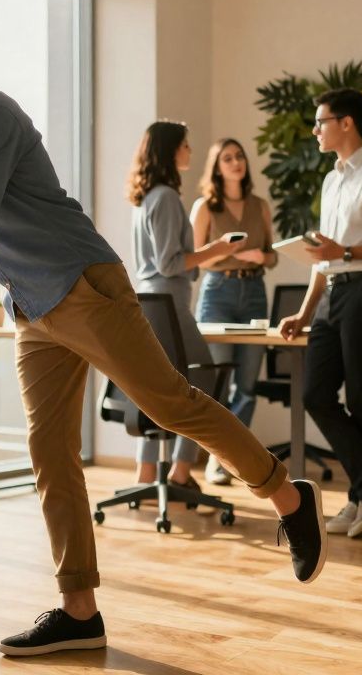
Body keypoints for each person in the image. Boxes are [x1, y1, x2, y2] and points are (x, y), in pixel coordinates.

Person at [0, 0, 326, 658]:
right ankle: (79, 611)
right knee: (49, 449)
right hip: (32, 307)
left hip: (81, 284)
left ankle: (287, 498)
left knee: (170, 404)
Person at [278, 88, 362, 538]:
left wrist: (347, 249)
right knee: (315, 393)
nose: (316, 130)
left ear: (347, 123)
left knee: (360, 396)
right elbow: (324, 257)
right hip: (333, 296)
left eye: (321, 122)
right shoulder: (332, 179)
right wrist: (303, 311)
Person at [129, 122, 245, 499]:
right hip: (168, 307)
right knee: (206, 385)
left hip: (153, 306)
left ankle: (147, 471)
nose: (190, 151)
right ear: (170, 151)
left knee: (157, 389)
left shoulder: (148, 198)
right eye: (185, 145)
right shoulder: (164, 198)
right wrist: (219, 249)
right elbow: (168, 263)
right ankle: (180, 470)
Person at [190, 138, 278, 485]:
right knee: (219, 385)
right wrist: (224, 250)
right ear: (216, 167)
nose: (236, 162)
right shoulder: (205, 207)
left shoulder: (260, 205)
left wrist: (260, 258)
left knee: (247, 385)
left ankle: (236, 458)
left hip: (254, 291)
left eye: (239, 156)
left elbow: (272, 254)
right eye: (227, 158)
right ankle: (219, 458)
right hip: (218, 293)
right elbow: (194, 258)